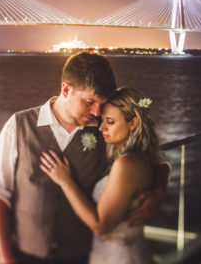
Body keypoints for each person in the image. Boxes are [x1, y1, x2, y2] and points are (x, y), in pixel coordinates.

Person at [0, 52, 168, 264]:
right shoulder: (18, 125)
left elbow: (152, 159)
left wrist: (159, 191)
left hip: (81, 257)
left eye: (102, 103)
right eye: (89, 101)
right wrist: (6, 257)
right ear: (66, 89)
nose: (96, 111)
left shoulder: (106, 131)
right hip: (24, 255)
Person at [40, 87, 163, 264]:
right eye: (102, 120)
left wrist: (65, 181)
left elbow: (101, 226)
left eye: (110, 122)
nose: (101, 127)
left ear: (133, 123)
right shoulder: (140, 157)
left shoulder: (126, 164)